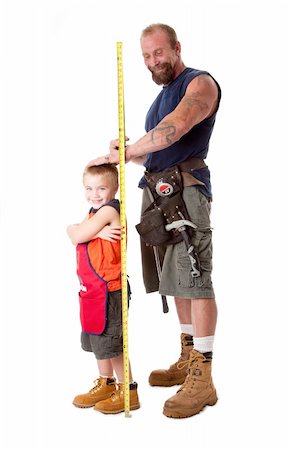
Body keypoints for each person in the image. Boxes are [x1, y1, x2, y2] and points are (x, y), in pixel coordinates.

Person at [89, 23, 221, 419]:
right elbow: (154, 152)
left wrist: (127, 150)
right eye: (146, 56)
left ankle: (205, 375)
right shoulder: (159, 98)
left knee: (195, 277)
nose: (152, 62)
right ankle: (187, 353)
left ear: (177, 48)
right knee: (175, 279)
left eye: (158, 53)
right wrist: (127, 153)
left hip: (187, 192)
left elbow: (173, 132)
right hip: (160, 192)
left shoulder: (199, 85)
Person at [66, 163, 140, 414]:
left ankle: (127, 390)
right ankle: (106, 383)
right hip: (91, 290)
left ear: (115, 188)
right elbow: (71, 229)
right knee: (97, 339)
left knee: (113, 343)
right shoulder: (94, 214)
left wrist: (86, 232)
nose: (94, 194)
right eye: (88, 188)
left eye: (101, 188)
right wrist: (95, 234)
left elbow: (76, 235)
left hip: (111, 291)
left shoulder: (109, 211)